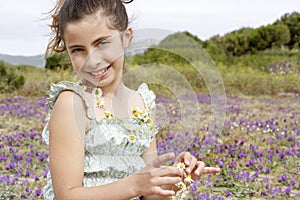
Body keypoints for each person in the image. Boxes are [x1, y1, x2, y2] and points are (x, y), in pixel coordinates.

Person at [42, 0, 220, 199]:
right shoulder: (73, 104)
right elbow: (67, 196)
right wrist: (134, 186)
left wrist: (174, 180)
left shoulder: (140, 104)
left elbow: (148, 194)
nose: (92, 60)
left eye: (102, 43)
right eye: (77, 49)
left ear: (126, 37)